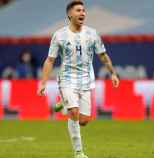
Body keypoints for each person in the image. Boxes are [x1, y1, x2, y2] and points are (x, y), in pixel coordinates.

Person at [37, 1, 119, 158]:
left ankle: (63, 103)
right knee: (74, 112)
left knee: (84, 120)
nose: (82, 13)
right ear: (70, 15)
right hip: (67, 79)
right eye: (78, 10)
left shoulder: (92, 34)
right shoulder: (59, 35)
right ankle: (79, 153)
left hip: (86, 81)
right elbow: (50, 60)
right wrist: (43, 82)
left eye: (83, 10)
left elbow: (103, 55)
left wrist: (113, 73)